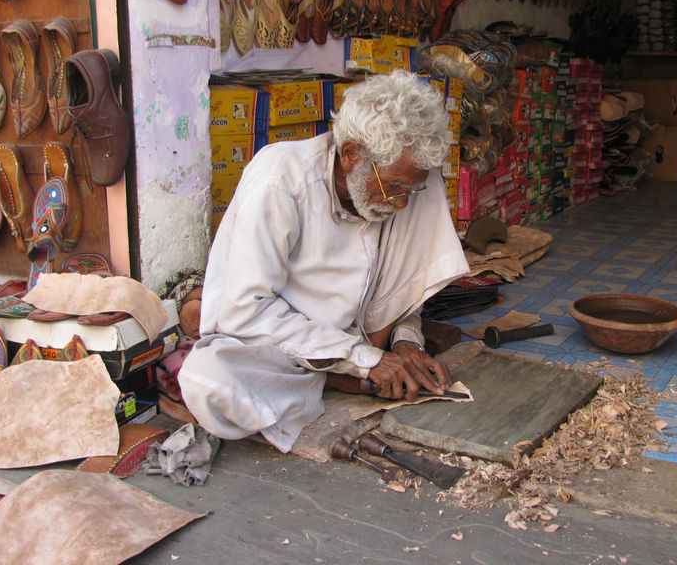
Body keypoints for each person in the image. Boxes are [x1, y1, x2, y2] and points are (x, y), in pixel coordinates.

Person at [178, 70, 470, 453]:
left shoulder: (410, 190)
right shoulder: (280, 180)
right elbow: (245, 314)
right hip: (287, 346)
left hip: (366, 340)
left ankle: (352, 378)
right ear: (351, 154)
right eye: (394, 186)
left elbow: (402, 285)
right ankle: (339, 380)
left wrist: (405, 342)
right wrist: (361, 359)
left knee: (429, 189)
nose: (401, 202)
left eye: (406, 189)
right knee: (210, 380)